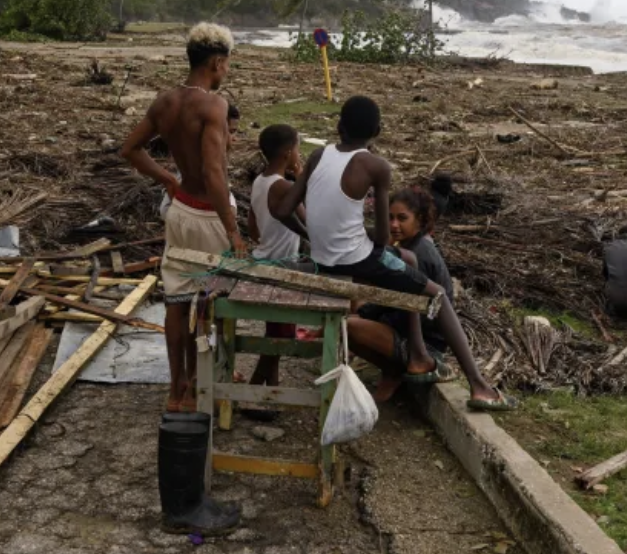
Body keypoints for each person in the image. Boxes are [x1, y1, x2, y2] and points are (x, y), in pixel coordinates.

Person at [272, 95, 517, 412]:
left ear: (339, 126)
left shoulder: (318, 156)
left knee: (409, 264)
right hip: (359, 260)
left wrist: (313, 236)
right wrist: (363, 238)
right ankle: (480, 386)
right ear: (377, 130)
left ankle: (416, 355)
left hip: (322, 259)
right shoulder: (376, 166)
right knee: (437, 293)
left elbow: (282, 209)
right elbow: (384, 237)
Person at [121, 23, 245, 414]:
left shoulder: (165, 101)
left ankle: (177, 390)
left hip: (180, 210)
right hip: (209, 214)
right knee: (211, 299)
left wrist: (169, 179)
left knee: (177, 300)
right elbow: (214, 174)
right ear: (217, 62)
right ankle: (203, 382)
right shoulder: (214, 105)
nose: (226, 72)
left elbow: (130, 148)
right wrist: (234, 230)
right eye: (226, 65)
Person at [348, 186, 454, 402]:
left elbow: (405, 310)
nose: (394, 225)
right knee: (349, 318)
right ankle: (391, 370)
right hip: (405, 328)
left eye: (402, 218)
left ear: (420, 220)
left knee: (347, 326)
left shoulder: (419, 254)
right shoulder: (407, 246)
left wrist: (365, 316)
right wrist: (366, 313)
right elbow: (393, 297)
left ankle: (394, 371)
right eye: (390, 218)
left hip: (424, 344)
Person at [241, 124, 308, 418]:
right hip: (282, 266)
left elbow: (252, 226)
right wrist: (303, 177)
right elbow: (309, 222)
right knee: (281, 334)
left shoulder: (260, 181)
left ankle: (266, 389)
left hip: (262, 257)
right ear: (287, 152)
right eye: (297, 149)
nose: (299, 154)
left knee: (277, 331)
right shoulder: (283, 186)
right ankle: (256, 391)